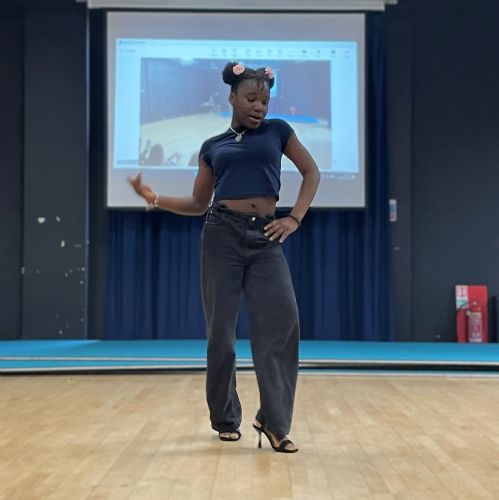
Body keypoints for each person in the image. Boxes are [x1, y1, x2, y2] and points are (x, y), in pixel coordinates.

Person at [129, 61, 320, 453]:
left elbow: (311, 172)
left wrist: (294, 218)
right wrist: (156, 198)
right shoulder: (213, 147)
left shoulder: (279, 132)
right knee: (221, 334)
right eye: (251, 98)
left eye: (264, 100)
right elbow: (199, 203)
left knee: (282, 325)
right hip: (222, 235)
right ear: (231, 98)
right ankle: (225, 418)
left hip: (265, 237)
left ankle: (274, 422)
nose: (259, 106)